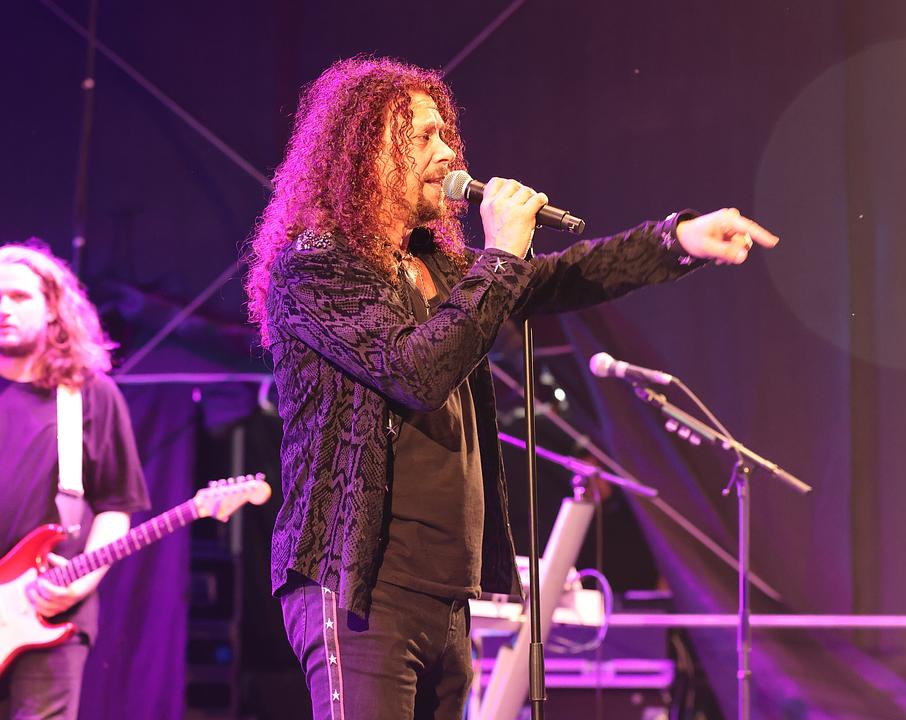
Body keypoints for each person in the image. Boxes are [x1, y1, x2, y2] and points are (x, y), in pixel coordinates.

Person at [244, 55, 778, 720]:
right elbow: (414, 372)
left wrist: (677, 240)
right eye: (424, 137)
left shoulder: (438, 265)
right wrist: (499, 256)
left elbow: (563, 276)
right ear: (365, 154)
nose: (447, 152)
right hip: (360, 586)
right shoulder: (316, 266)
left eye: (446, 134)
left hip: (445, 591)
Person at [0, 242, 149, 720]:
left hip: (49, 617)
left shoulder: (88, 395)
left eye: (19, 297)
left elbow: (116, 506)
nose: (3, 309)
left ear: (52, 309)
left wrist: (81, 581)